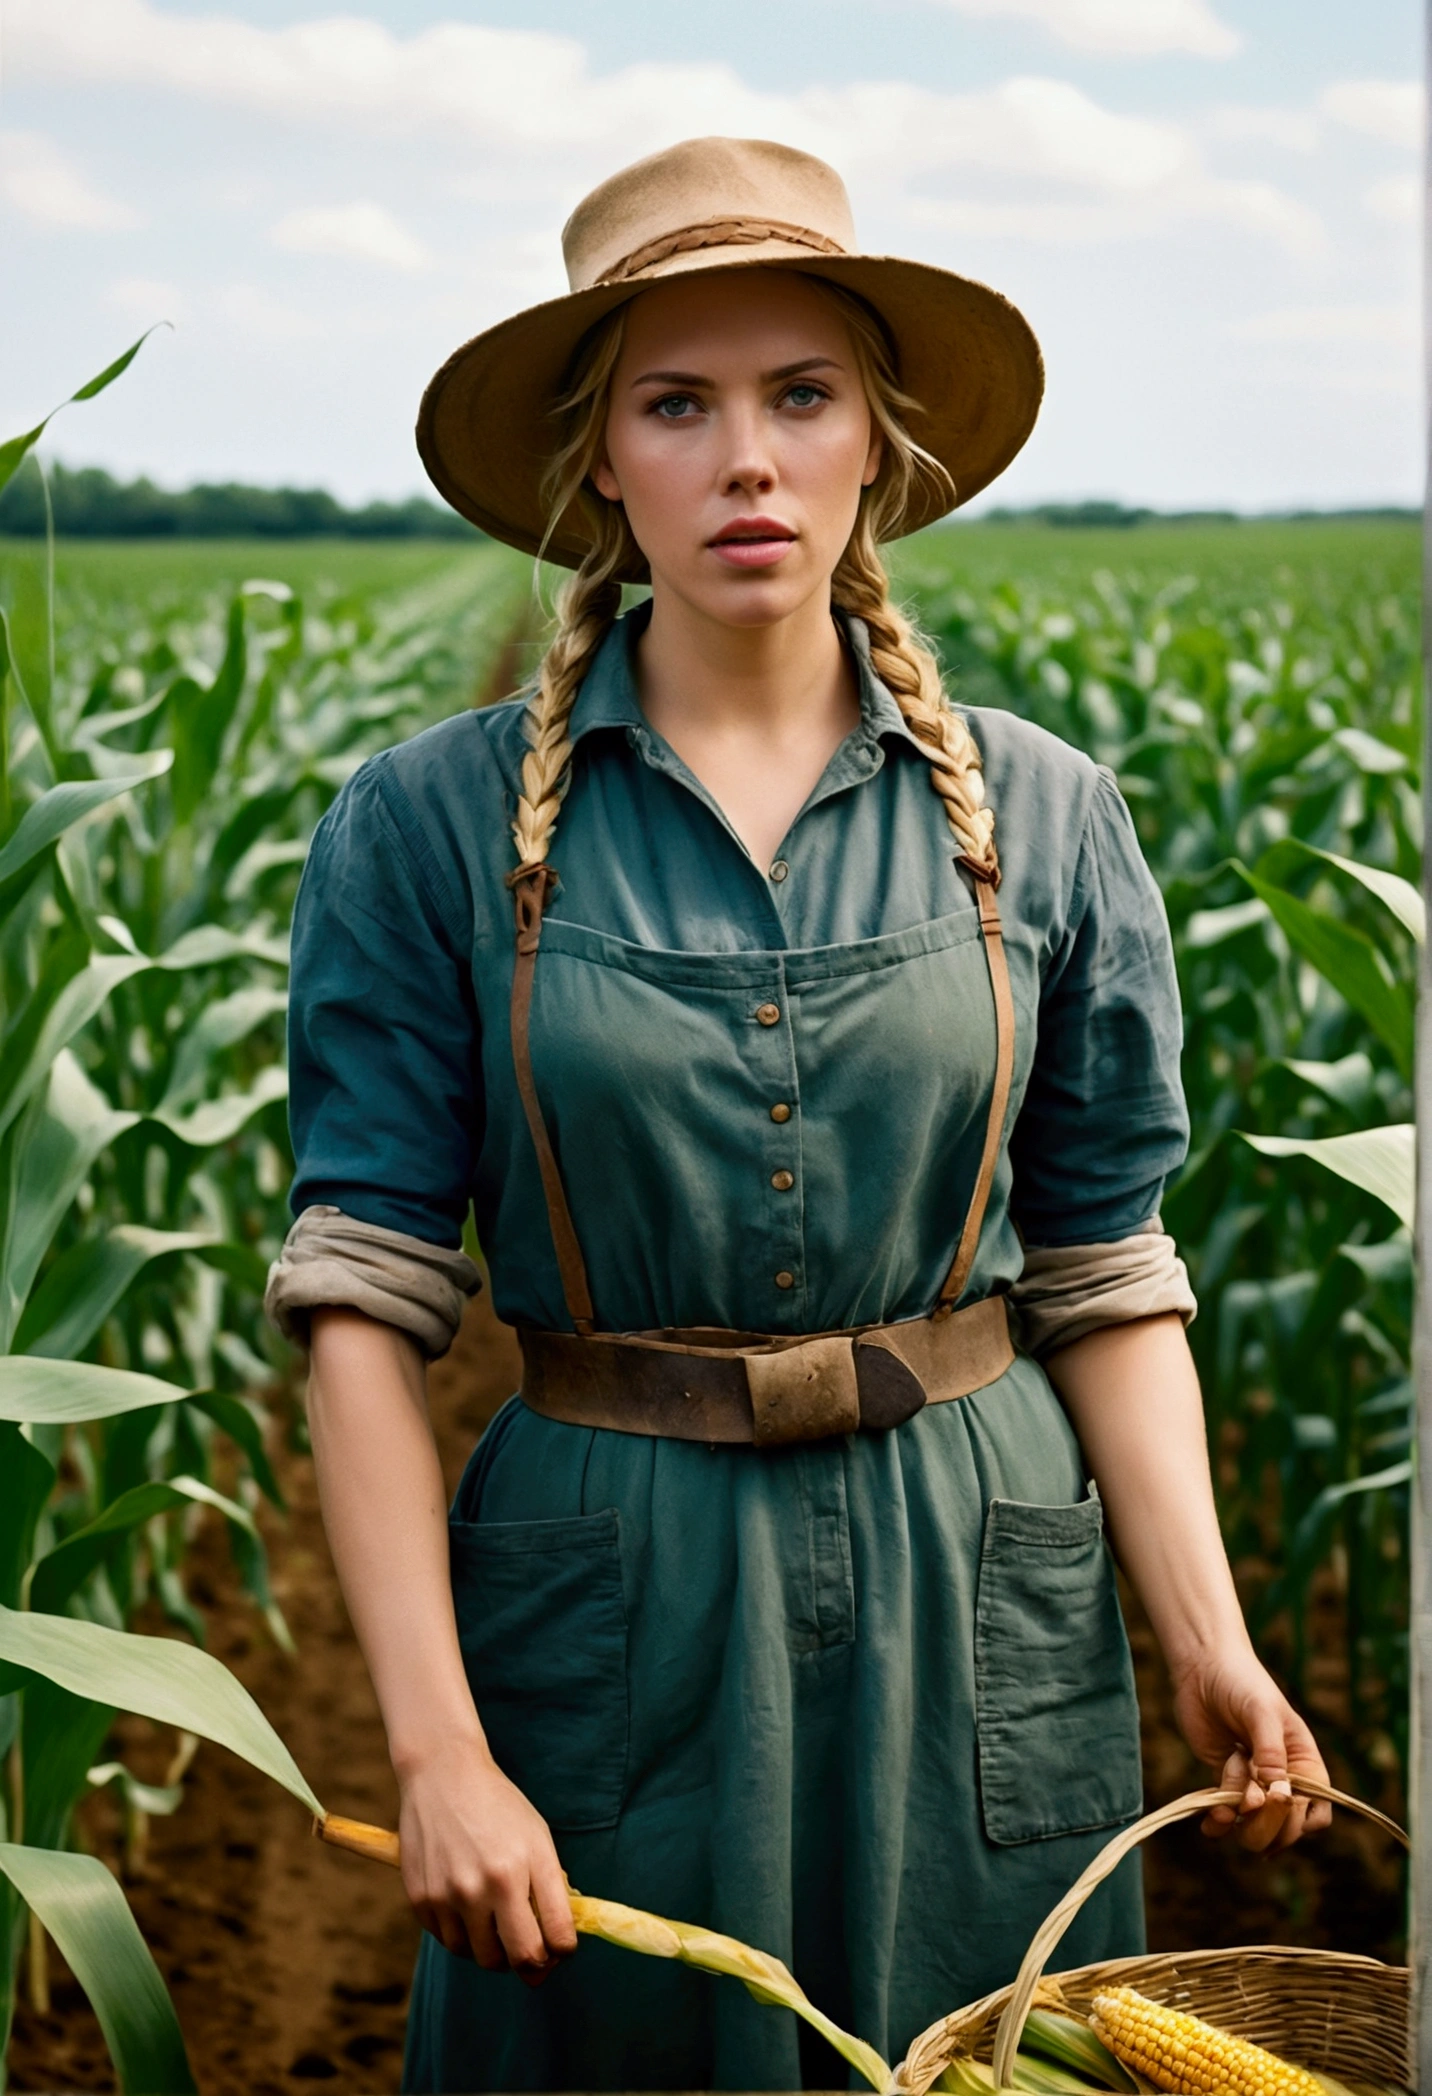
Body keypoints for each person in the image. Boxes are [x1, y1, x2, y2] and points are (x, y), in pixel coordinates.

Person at [266, 136, 1330, 2095]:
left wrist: (1203, 1631)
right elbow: (359, 1297)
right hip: (613, 1592)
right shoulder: (421, 829)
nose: (744, 459)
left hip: (978, 1587)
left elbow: (1104, 1263)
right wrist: (433, 1748)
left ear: (873, 447)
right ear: (601, 463)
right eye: (676, 404)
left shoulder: (1043, 811)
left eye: (797, 396)